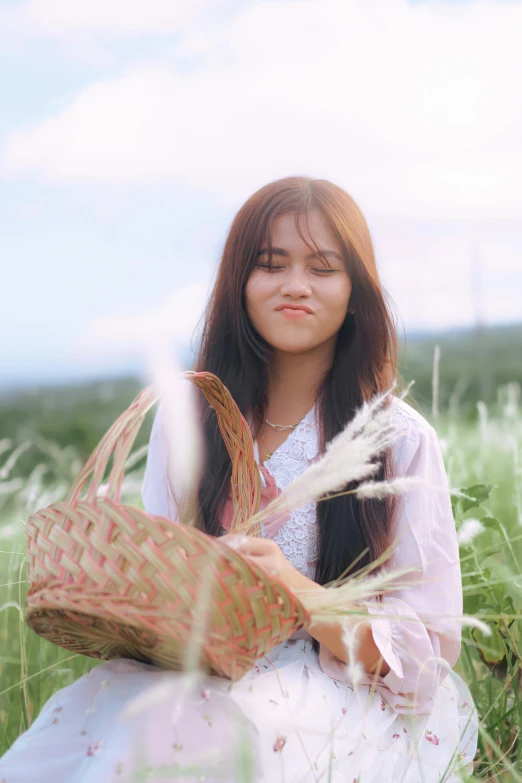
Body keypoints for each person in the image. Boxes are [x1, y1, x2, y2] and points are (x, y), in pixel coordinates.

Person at [0, 177, 477, 782]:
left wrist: (296, 595)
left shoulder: (398, 440)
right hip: (198, 673)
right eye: (271, 264)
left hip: (331, 693)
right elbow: (160, 580)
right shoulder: (188, 422)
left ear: (356, 290)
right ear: (239, 283)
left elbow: (422, 654)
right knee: (87, 744)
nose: (295, 286)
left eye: (323, 267)